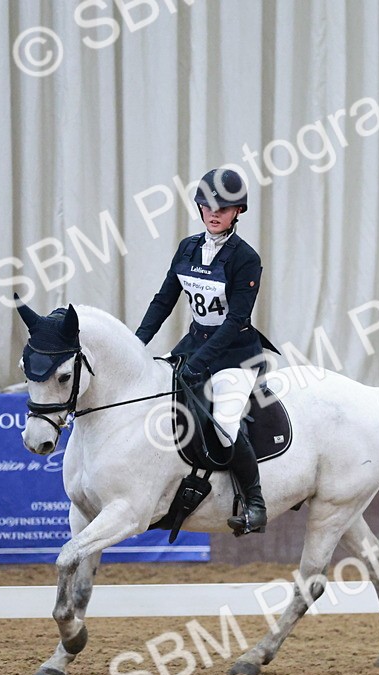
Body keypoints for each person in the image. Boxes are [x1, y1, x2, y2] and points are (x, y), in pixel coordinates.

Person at [134, 167, 274, 536]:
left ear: (237, 211)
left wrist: (199, 362)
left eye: (223, 209)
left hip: (234, 353)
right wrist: (136, 344)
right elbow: (164, 300)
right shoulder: (188, 248)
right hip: (194, 343)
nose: (213, 214)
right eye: (207, 206)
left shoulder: (246, 258)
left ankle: (255, 503)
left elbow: (236, 320)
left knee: (225, 424)